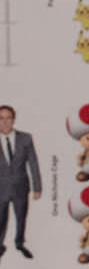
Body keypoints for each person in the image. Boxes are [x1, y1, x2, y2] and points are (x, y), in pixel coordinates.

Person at [0, 107, 34, 259]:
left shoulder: (25, 138)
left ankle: (20, 243)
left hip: (21, 187)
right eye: (1, 118)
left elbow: (33, 163)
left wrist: (37, 187)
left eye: (8, 118)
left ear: (14, 119)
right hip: (1, 189)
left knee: (21, 217)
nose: (5, 122)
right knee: (1, 219)